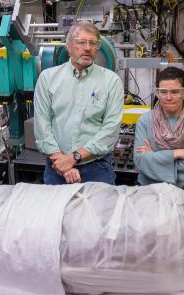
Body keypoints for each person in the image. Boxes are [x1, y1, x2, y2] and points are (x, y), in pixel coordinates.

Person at [34, 22, 124, 185]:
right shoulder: (48, 78)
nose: (87, 48)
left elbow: (110, 131)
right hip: (57, 169)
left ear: (98, 48)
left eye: (93, 43)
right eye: (81, 42)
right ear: (69, 46)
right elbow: (42, 126)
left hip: (97, 170)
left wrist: (73, 158)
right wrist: (63, 163)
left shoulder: (111, 81)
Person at [134, 66, 184, 230]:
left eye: (175, 92)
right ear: (157, 93)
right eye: (163, 92)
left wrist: (155, 158)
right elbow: (140, 161)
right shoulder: (145, 120)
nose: (168, 97)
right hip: (150, 198)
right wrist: (177, 153)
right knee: (148, 252)